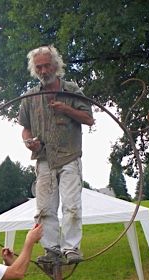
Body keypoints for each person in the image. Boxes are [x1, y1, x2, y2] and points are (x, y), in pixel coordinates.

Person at [18, 45, 94, 264]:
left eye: (46, 65)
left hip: (69, 155)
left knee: (71, 205)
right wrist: (28, 141)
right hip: (43, 159)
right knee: (44, 208)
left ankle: (71, 249)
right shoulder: (30, 97)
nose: (43, 71)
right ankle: (51, 250)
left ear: (56, 65)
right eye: (39, 67)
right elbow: (25, 127)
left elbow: (89, 119)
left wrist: (66, 109)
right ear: (34, 69)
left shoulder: (71, 90)